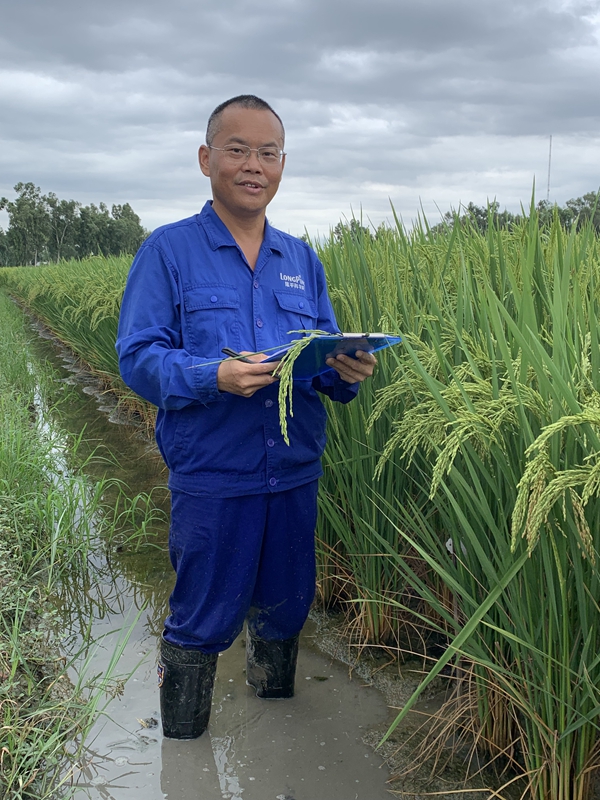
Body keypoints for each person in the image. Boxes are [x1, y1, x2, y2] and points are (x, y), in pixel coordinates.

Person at [115, 95, 376, 740]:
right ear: (207, 159)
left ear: (282, 166)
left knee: (287, 609)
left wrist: (344, 371)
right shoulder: (169, 252)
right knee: (201, 618)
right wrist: (214, 375)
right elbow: (138, 357)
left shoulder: (301, 261)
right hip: (214, 476)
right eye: (237, 150)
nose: (253, 165)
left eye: (268, 153)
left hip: (291, 474)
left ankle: (276, 730)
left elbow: (315, 359)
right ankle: (183, 751)